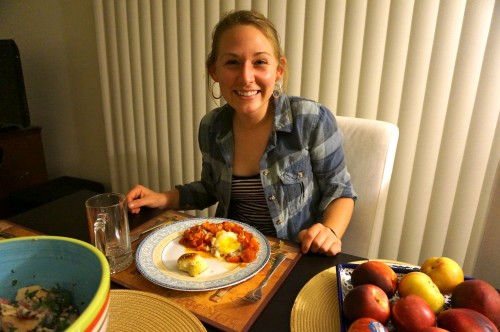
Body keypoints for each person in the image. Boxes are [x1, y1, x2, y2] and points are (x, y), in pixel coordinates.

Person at [127, 10, 357, 256]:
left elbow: (340, 191)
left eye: (259, 62)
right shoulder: (211, 127)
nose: (246, 77)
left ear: (278, 69)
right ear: (214, 70)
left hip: (290, 256)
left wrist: (329, 231)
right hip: (228, 256)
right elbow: (210, 189)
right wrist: (161, 198)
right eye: (232, 62)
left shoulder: (311, 120)